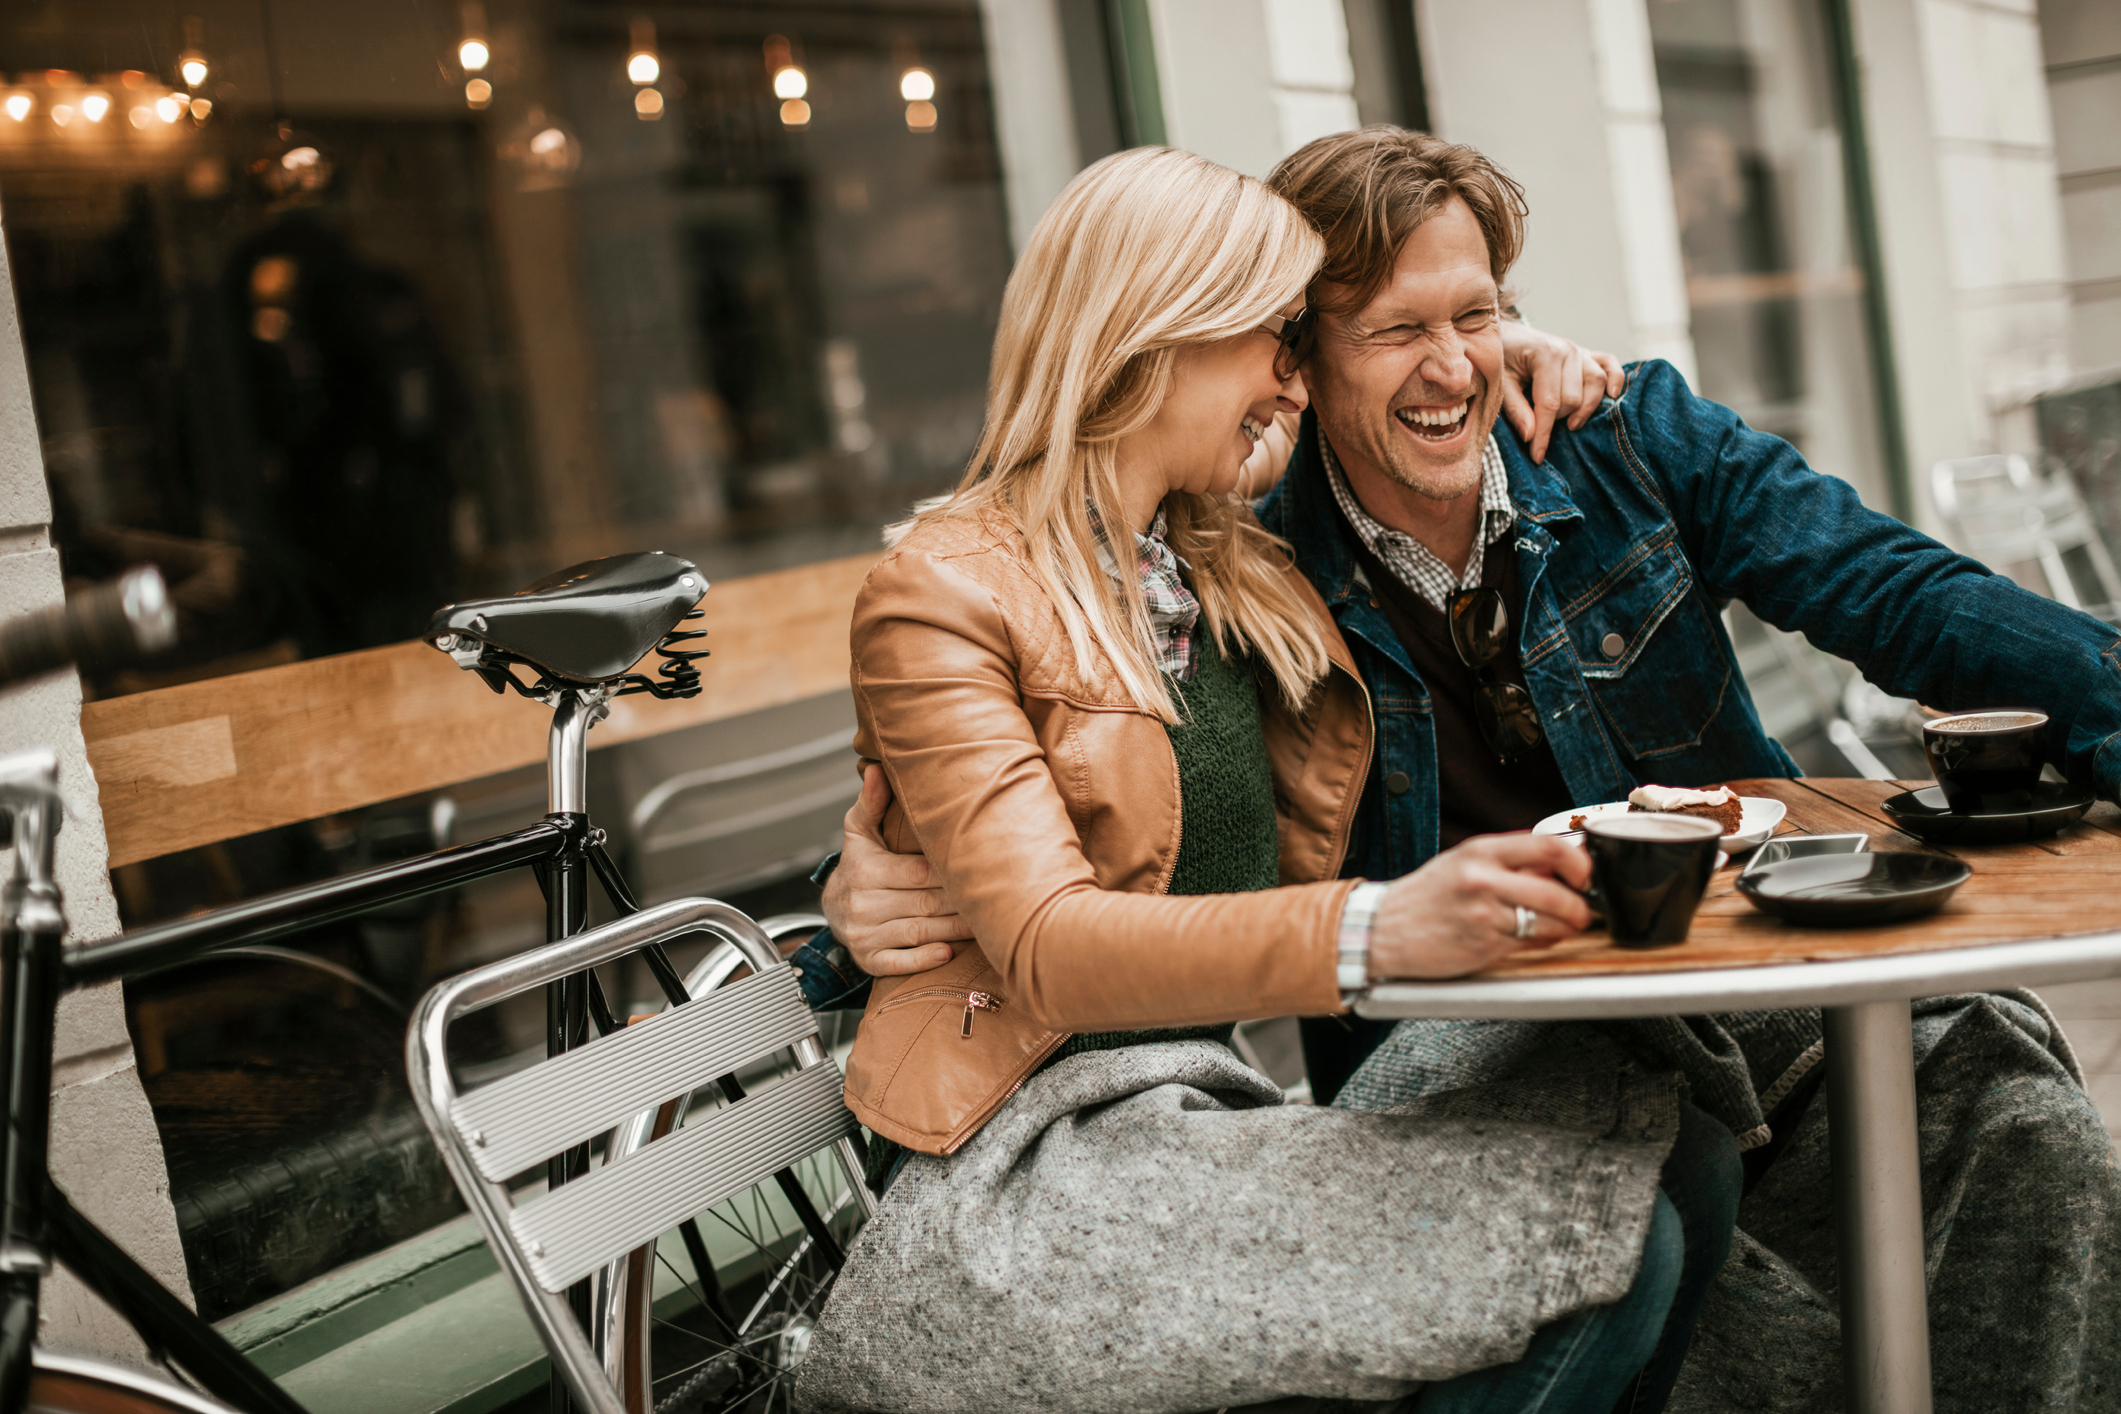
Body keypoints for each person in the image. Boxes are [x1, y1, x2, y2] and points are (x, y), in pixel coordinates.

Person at [812, 126, 2121, 1413]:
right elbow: (1028, 754)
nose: (1449, 365)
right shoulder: (1251, 543)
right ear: (1302, 356)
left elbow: (1893, 590)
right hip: (1454, 1038)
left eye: (1480, 313)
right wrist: (861, 890)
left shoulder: (1597, 441)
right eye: (1380, 330)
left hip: (1737, 982)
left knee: (2015, 1116)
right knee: (1653, 1232)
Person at [791, 144, 1739, 1414]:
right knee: (1605, 1261)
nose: (1295, 379)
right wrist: (1376, 924)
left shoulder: (1226, 563)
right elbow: (1043, 941)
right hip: (1034, 1155)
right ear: (1156, 338)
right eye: (1273, 340)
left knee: (1677, 1119)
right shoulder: (945, 591)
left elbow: (1408, 411)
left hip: (1200, 1114)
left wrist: (1502, 345)